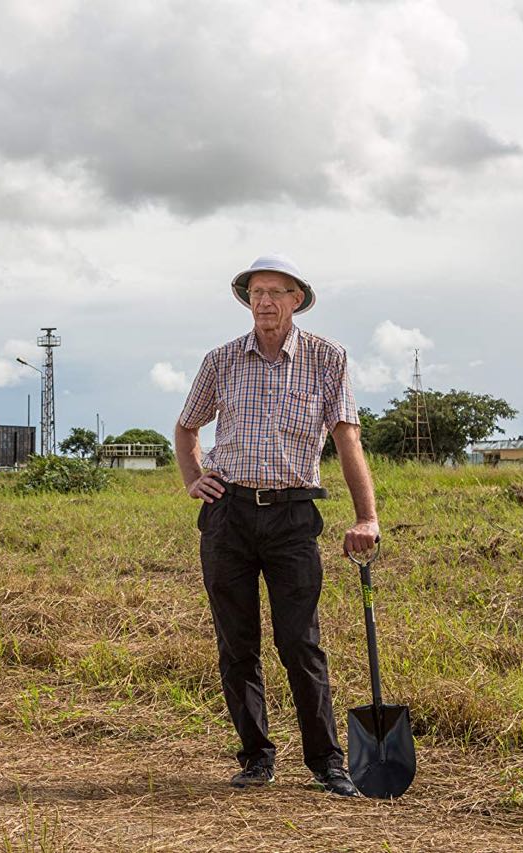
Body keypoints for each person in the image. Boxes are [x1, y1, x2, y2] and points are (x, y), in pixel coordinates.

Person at [173, 254, 380, 796]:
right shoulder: (221, 360)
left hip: (292, 516)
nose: (264, 301)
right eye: (255, 293)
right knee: (237, 643)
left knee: (300, 642)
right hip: (228, 516)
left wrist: (366, 517)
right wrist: (195, 479)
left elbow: (346, 440)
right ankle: (256, 757)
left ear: (297, 301)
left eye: (276, 292)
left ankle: (328, 764)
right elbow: (186, 427)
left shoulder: (326, 358)